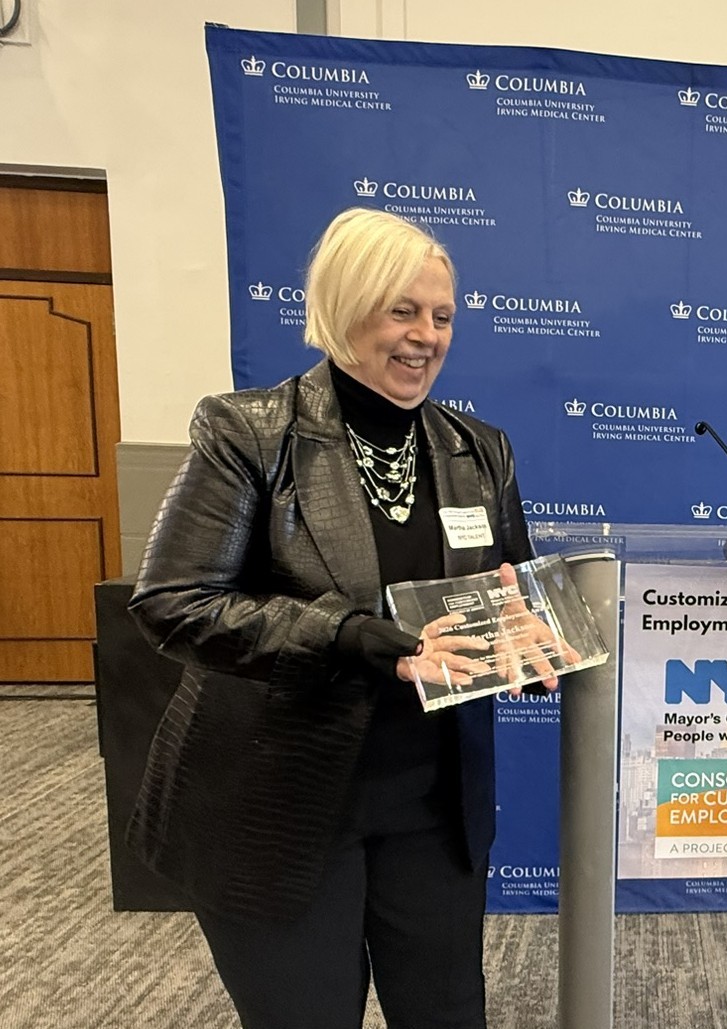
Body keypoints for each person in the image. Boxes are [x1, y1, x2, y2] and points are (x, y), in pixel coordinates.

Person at [127, 207, 559, 1029]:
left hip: (430, 810)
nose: (426, 335)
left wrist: (527, 630)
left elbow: (508, 590)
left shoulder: (481, 450)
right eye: (402, 310)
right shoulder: (247, 433)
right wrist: (356, 637)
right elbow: (174, 602)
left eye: (442, 316)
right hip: (275, 803)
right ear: (342, 305)